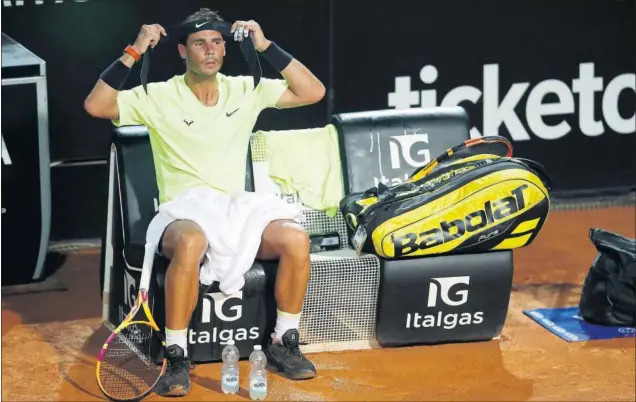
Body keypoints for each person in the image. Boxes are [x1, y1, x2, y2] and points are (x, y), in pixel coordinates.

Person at [84, 8, 325, 397]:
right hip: (182, 213)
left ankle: (284, 341)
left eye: (216, 43)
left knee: (296, 239)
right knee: (193, 241)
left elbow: (312, 92)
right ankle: (177, 355)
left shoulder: (246, 89)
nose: (210, 51)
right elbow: (96, 106)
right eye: (199, 43)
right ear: (182, 51)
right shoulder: (157, 96)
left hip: (233, 210)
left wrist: (266, 46)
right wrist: (134, 50)